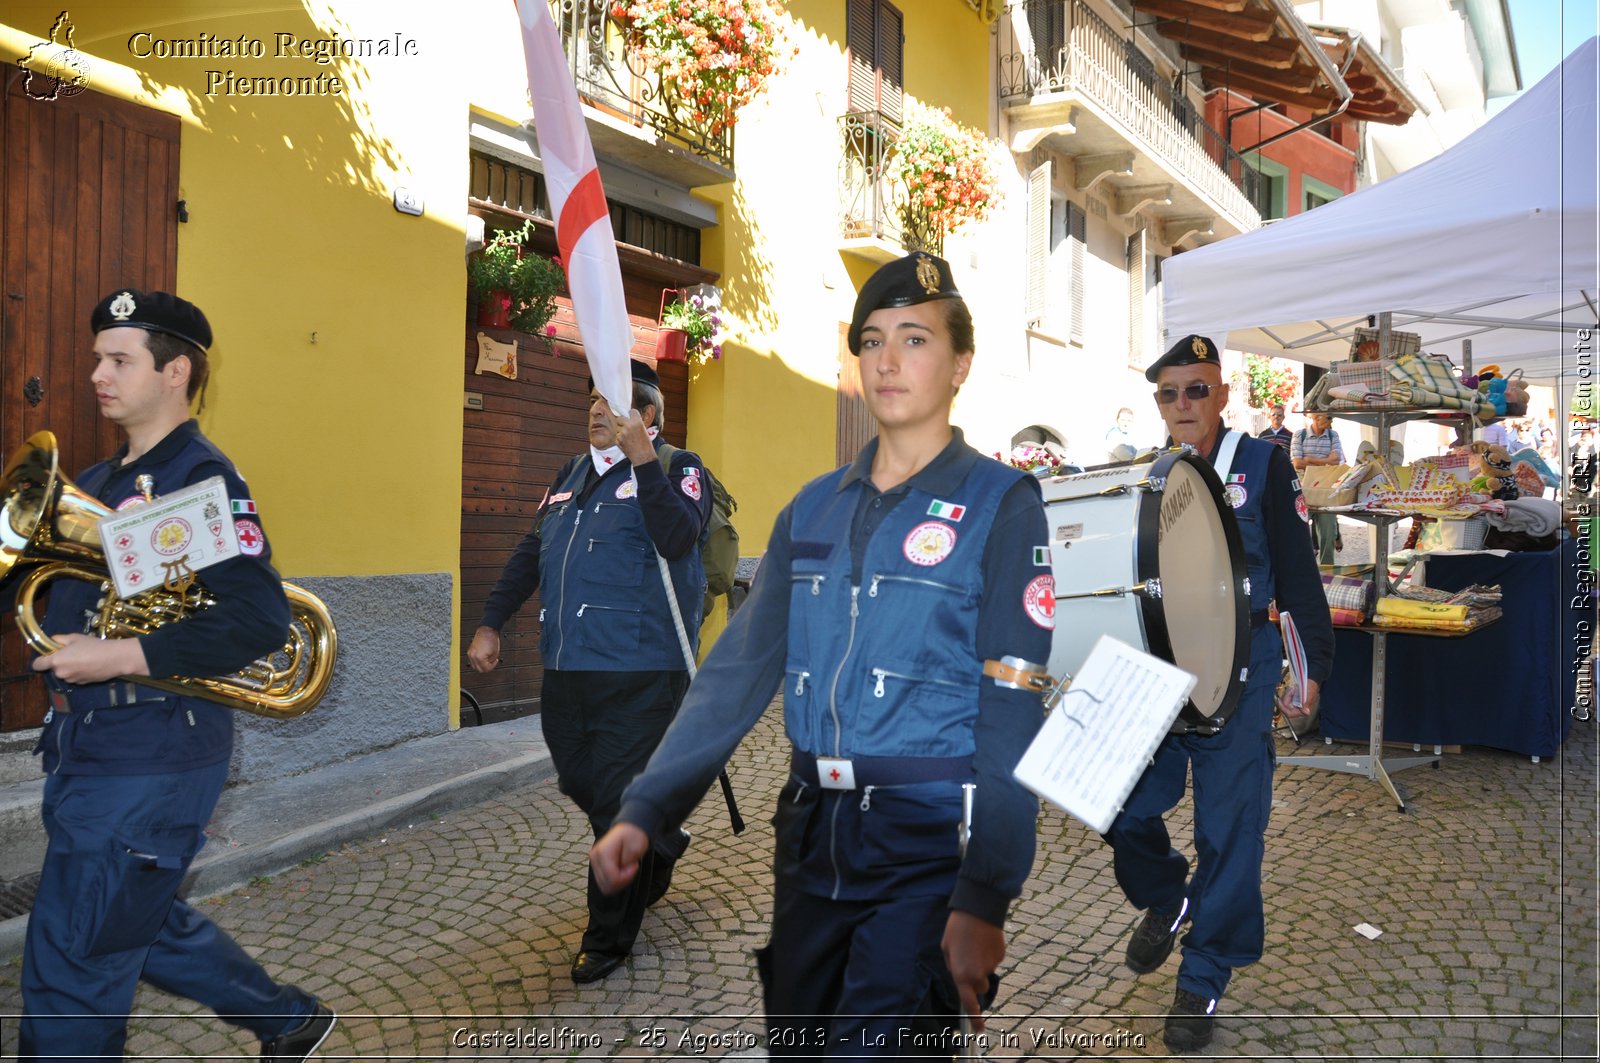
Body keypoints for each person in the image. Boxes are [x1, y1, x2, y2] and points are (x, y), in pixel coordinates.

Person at [590, 251, 1053, 1054]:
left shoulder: (1001, 507)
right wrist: (647, 804)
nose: (887, 360)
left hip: (924, 840)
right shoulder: (811, 508)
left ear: (960, 364)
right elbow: (736, 669)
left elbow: (1013, 710)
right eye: (872, 341)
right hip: (808, 832)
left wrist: (985, 892)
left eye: (914, 339)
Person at [18, 290, 336, 1059]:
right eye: (98, 356)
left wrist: (118, 653)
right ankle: (286, 1020)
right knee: (139, 921)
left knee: (73, 963)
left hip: (150, 753)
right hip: (88, 746)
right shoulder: (95, 480)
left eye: (119, 359)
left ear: (176, 372)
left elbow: (258, 617)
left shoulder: (199, 480)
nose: (97, 372)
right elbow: (61, 596)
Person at [1106, 334, 1334, 1051]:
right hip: (1160, 663)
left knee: (1231, 829)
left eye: (1196, 390)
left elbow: (1297, 574)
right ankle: (1167, 895)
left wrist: (1309, 668)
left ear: (1222, 394)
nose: (1183, 405)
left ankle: (1202, 977)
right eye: (1169, 393)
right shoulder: (1151, 472)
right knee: (1118, 799)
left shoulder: (1261, 463)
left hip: (1244, 661)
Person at [466, 358, 709, 984]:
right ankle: (659, 843)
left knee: (616, 807)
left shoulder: (680, 469)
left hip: (643, 672)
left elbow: (679, 538)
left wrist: (645, 463)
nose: (594, 411)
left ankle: (606, 940)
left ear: (646, 416)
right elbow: (531, 550)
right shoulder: (569, 474)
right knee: (582, 783)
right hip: (569, 670)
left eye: (611, 402)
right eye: (591, 400)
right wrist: (492, 620)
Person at [1290, 412, 1345, 564]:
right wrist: (1324, 462)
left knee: (1328, 533)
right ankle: (1302, 567)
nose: (1330, 420)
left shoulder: (1333, 435)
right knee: (1299, 532)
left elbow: (1336, 460)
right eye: (1327, 417)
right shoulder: (1299, 435)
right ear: (1315, 417)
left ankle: (1327, 570)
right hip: (1304, 489)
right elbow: (1297, 463)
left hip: (1325, 489)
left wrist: (1309, 459)